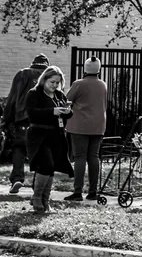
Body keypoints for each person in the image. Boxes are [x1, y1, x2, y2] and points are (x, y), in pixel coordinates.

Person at [25, 66, 74, 212]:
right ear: (44, 79)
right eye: (52, 82)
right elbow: (32, 113)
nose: (54, 85)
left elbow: (67, 115)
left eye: (57, 83)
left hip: (56, 136)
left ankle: (45, 201)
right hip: (39, 135)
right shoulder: (34, 93)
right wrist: (52, 111)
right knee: (45, 164)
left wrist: (67, 111)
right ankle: (37, 197)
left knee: (51, 167)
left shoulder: (59, 95)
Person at [3, 53, 49, 194]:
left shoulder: (22, 74)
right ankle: (37, 185)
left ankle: (17, 178)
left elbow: (13, 97)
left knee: (19, 147)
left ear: (32, 63)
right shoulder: (49, 76)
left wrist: (7, 118)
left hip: (22, 119)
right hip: (42, 120)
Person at [64, 57, 108, 201]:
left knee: (80, 157)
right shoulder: (103, 85)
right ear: (98, 69)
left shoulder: (79, 84)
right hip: (98, 125)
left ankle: (77, 192)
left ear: (85, 68)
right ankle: (93, 192)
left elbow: (66, 100)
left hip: (79, 125)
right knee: (94, 157)